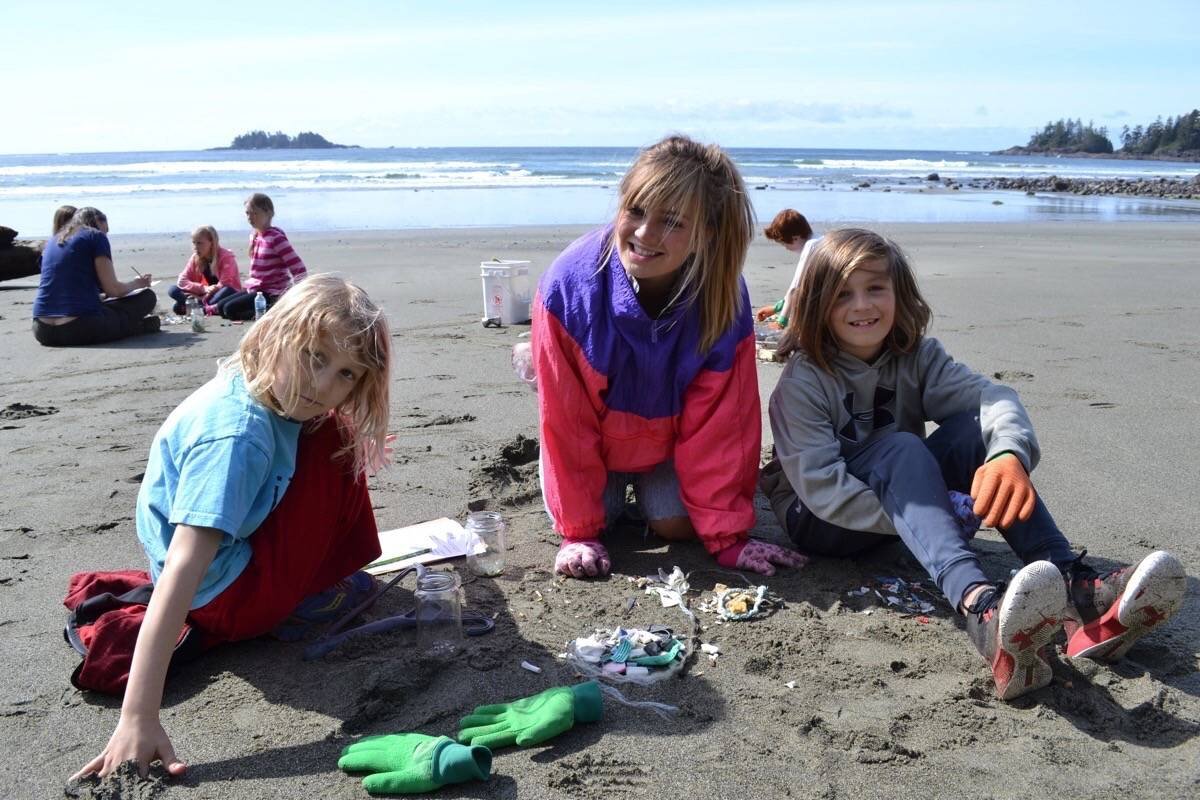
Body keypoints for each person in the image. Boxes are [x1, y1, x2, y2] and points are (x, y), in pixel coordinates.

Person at [760, 228, 1186, 700]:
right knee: (900, 446)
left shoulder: (918, 357)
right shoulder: (803, 382)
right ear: (817, 303)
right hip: (822, 519)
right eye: (843, 294)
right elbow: (822, 490)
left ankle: (1078, 593)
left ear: (899, 292)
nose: (862, 305)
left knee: (972, 430)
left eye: (875, 288)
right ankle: (980, 608)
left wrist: (1007, 454)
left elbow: (993, 397)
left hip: (906, 494)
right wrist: (933, 511)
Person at [70, 274, 392, 779]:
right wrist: (138, 716)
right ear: (274, 333)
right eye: (315, 357)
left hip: (224, 565)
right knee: (337, 444)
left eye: (348, 374)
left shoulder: (259, 382)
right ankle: (303, 599)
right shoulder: (239, 438)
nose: (325, 385)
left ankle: (300, 583)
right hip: (225, 597)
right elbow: (182, 567)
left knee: (332, 428)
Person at [533, 134, 807, 580]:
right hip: (592, 439)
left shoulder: (723, 298)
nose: (644, 234)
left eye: (673, 222)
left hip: (666, 443)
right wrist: (578, 532)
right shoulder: (569, 288)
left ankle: (647, 490)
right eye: (636, 211)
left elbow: (723, 422)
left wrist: (727, 539)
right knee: (598, 521)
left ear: (708, 233)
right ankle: (536, 363)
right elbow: (567, 421)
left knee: (677, 525)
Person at [32, 207, 159, 347]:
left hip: (42, 329)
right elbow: (113, 290)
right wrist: (137, 284)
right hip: (78, 326)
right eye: (106, 230)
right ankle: (138, 328)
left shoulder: (53, 240)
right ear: (97, 221)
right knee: (147, 297)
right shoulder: (95, 236)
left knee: (107, 305)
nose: (106, 234)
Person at [212, 193, 306, 320]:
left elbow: (298, 268)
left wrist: (297, 296)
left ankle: (275, 310)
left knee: (230, 310)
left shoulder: (276, 238)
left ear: (269, 213)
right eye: (247, 213)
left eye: (255, 213)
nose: (250, 217)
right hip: (255, 288)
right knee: (222, 307)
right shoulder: (254, 236)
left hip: (272, 292)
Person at [755, 208, 820, 329]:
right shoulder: (820, 240)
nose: (785, 247)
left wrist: (782, 321)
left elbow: (796, 287)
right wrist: (777, 307)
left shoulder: (811, 246)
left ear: (795, 237)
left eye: (784, 243)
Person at [167, 225, 242, 316]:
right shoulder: (195, 258)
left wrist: (203, 296)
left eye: (199, 243)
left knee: (227, 290)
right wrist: (203, 289)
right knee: (173, 290)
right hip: (203, 293)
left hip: (221, 293)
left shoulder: (226, 257)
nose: (195, 247)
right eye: (194, 243)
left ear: (211, 243)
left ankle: (198, 306)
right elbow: (182, 281)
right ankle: (200, 306)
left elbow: (225, 283)